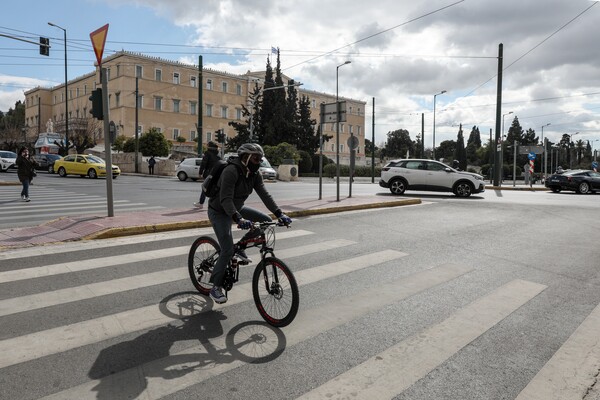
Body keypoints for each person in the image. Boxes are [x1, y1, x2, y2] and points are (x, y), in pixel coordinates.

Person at [207, 143, 292, 304]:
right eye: (256, 158)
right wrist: (239, 219)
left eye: (260, 159)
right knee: (226, 250)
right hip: (219, 211)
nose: (259, 161)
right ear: (245, 158)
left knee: (266, 221)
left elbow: (265, 195)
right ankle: (215, 287)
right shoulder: (231, 171)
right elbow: (225, 199)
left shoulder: (255, 174)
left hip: (237, 208)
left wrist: (279, 213)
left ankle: (239, 248)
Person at [194, 141, 220, 209]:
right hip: (216, 173)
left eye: (207, 145)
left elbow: (204, 163)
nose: (206, 146)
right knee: (214, 188)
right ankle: (214, 204)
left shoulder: (207, 153)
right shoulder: (218, 153)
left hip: (209, 173)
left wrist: (200, 172)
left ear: (209, 146)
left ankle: (201, 203)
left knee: (205, 187)